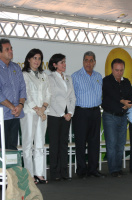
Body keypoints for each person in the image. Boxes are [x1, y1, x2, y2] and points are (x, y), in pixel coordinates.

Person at [0, 38, 27, 150]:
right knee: (1, 149)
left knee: (12, 148)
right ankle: (2, 168)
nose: (10, 51)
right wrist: (12, 107)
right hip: (1, 115)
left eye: (11, 48)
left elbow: (23, 88)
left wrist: (20, 105)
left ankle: (12, 168)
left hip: (15, 114)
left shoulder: (16, 67)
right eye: (7, 49)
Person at [71, 51, 105, 179]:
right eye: (86, 60)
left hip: (96, 112)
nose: (88, 63)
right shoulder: (75, 76)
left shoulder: (98, 76)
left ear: (94, 62)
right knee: (80, 143)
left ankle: (93, 169)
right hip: (81, 112)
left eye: (91, 60)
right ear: (83, 61)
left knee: (94, 142)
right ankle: (81, 170)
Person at [20, 48, 51, 184]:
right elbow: (26, 93)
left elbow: (48, 93)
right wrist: (37, 109)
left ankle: (39, 173)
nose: (37, 61)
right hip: (29, 112)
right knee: (27, 145)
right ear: (28, 59)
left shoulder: (44, 75)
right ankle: (29, 174)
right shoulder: (24, 74)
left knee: (39, 144)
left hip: (42, 113)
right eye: (34, 58)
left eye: (39, 58)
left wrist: (43, 108)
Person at [102, 58, 132, 177]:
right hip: (110, 116)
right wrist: (123, 101)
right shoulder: (106, 80)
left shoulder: (126, 81)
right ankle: (113, 169)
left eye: (121, 70)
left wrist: (127, 105)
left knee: (120, 144)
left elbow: (131, 95)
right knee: (111, 144)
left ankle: (118, 167)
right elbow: (112, 94)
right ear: (112, 69)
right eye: (117, 70)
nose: (119, 72)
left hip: (122, 116)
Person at [47, 53, 76, 181]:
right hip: (55, 114)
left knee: (64, 144)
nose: (64, 64)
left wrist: (70, 112)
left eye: (64, 62)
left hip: (67, 114)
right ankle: (54, 172)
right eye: (61, 62)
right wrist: (62, 113)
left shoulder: (69, 78)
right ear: (54, 64)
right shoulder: (50, 78)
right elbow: (51, 98)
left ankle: (64, 171)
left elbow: (72, 97)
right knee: (54, 144)